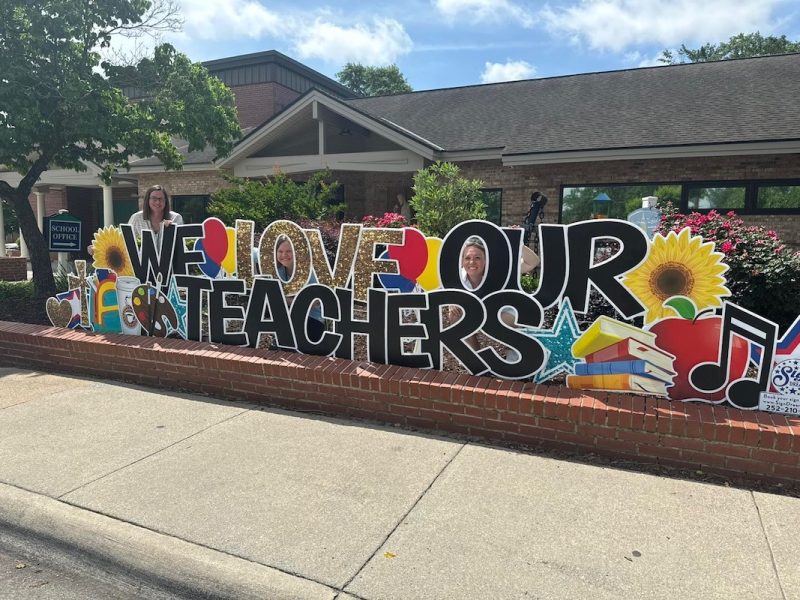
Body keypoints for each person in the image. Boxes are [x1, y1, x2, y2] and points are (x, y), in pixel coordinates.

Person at [456, 236, 539, 357]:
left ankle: (513, 351)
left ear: (486, 260)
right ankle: (475, 356)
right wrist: (453, 303)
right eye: (467, 258)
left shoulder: (500, 270)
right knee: (455, 314)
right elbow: (448, 294)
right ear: (462, 261)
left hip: (504, 313)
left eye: (477, 258)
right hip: (479, 314)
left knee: (508, 319)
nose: (472, 262)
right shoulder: (457, 276)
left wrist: (516, 241)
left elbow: (533, 262)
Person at [87, 184, 183, 255]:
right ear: (147, 200)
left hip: (169, 269)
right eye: (154, 198)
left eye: (161, 199)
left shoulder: (175, 218)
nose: (158, 202)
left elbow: (181, 244)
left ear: (166, 201)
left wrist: (171, 229)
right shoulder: (137, 218)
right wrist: (99, 248)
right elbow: (122, 240)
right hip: (143, 268)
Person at [275, 235, 326, 342]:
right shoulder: (279, 271)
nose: (284, 255)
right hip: (288, 317)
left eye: (289, 251)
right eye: (280, 251)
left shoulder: (309, 272)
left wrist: (285, 300)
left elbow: (316, 302)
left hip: (312, 319)